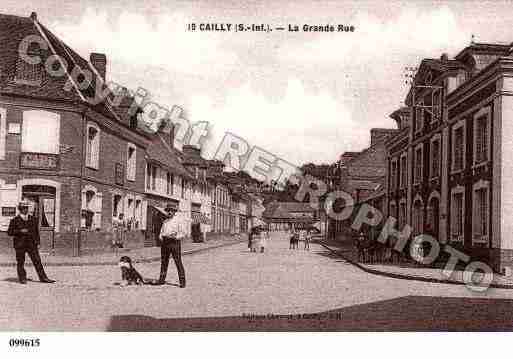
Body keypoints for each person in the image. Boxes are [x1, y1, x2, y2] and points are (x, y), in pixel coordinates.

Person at [7, 202, 55, 284]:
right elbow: (10, 232)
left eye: (26, 208)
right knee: (20, 262)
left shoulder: (33, 219)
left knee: (37, 260)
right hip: (20, 244)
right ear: (20, 209)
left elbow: (36, 232)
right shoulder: (14, 220)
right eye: (23, 208)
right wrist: (19, 231)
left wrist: (37, 242)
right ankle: (22, 278)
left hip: (31, 244)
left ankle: (43, 278)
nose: (25, 210)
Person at [157, 203, 186, 287]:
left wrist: (176, 236)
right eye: (168, 210)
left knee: (178, 262)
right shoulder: (165, 222)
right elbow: (161, 232)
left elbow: (183, 233)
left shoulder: (178, 221)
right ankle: (161, 279)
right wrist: (161, 237)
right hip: (165, 243)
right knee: (164, 261)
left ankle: (182, 281)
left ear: (174, 212)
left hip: (174, 243)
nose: (169, 212)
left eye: (171, 210)